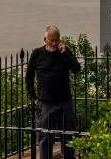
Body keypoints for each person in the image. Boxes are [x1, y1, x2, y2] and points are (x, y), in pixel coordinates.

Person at [26, 25, 81, 159]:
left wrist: (65, 53)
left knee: (67, 137)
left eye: (56, 40)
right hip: (45, 103)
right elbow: (29, 76)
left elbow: (76, 69)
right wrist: (32, 95)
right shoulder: (37, 54)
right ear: (45, 39)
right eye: (51, 40)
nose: (54, 43)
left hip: (64, 102)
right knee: (45, 138)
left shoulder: (64, 52)